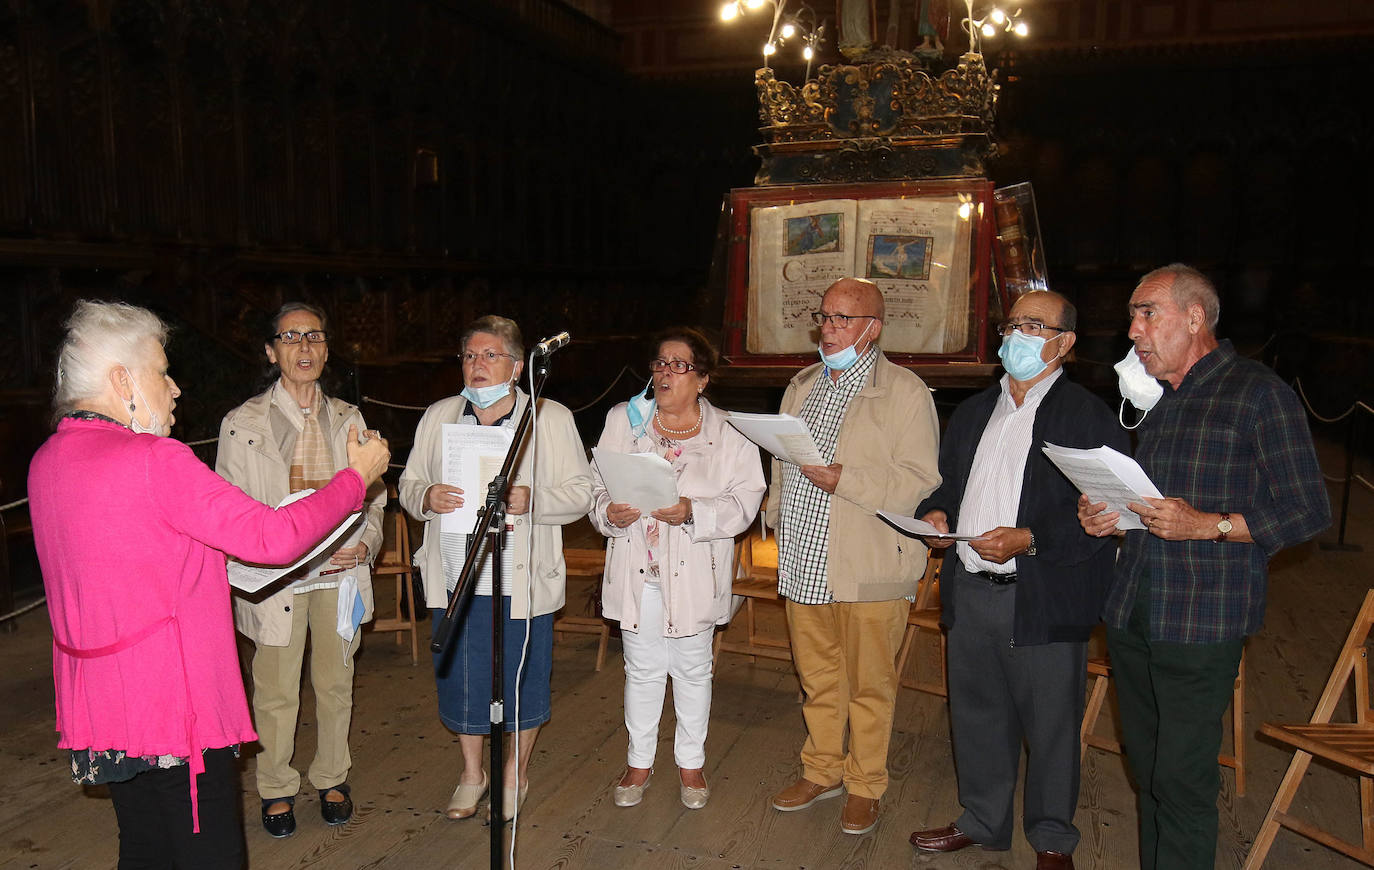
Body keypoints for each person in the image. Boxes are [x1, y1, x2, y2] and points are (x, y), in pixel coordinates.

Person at [27, 300, 389, 869]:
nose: (175, 389)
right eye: (162, 370)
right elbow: (271, 538)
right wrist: (354, 481)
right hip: (178, 713)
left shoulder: (48, 460)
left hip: (108, 708)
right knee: (208, 855)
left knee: (145, 850)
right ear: (122, 380)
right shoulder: (153, 459)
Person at [1079, 264, 1330, 870]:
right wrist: (1110, 514)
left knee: (1183, 780)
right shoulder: (1159, 401)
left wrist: (1209, 525)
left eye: (1147, 314)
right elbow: (1155, 503)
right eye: (1132, 315)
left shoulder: (1257, 392)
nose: (1131, 330)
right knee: (1146, 771)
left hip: (1201, 620)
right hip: (1133, 608)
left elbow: (1307, 510)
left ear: (1195, 318)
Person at [907, 291, 1127, 870]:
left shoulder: (1084, 414)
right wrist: (936, 514)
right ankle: (983, 820)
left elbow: (1107, 509)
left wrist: (1029, 538)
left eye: (1035, 325)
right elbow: (948, 485)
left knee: (1051, 723)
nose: (1017, 335)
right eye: (1012, 324)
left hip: (1043, 596)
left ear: (1064, 342)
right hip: (972, 588)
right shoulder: (979, 410)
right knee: (976, 715)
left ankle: (1052, 836)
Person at [399, 315, 593, 823]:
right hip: (456, 572)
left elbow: (581, 493)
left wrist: (534, 500)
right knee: (462, 676)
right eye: (469, 356)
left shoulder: (548, 417)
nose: (477, 365)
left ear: (518, 364)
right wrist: (426, 496)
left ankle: (514, 774)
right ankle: (472, 774)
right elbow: (407, 485)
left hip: (521, 574)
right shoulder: (439, 416)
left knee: (523, 677)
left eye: (489, 355)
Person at [766, 277, 941, 835]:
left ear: (874, 326)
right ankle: (821, 770)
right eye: (825, 317)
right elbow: (784, 462)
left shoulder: (905, 391)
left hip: (868, 563)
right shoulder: (802, 384)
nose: (831, 328)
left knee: (870, 686)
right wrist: (776, 509)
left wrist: (846, 479)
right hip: (804, 559)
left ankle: (866, 784)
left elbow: (920, 479)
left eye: (844, 319)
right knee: (817, 678)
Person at [216, 302, 388, 838]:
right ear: (272, 351)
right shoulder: (242, 424)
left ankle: (333, 776)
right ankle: (276, 787)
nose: (304, 347)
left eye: (314, 335)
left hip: (338, 576)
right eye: (291, 337)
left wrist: (364, 546)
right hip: (278, 580)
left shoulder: (350, 420)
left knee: (337, 684)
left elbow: (376, 500)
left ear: (327, 348)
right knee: (275, 689)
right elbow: (229, 508)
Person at [589, 328, 765, 811]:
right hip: (637, 567)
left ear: (703, 379)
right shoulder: (624, 421)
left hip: (694, 569)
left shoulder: (732, 432)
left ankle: (691, 763)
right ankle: (638, 762)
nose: (664, 372)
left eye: (678, 365)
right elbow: (596, 487)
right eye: (659, 363)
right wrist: (609, 513)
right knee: (642, 670)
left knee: (692, 670)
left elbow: (745, 502)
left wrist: (693, 511)